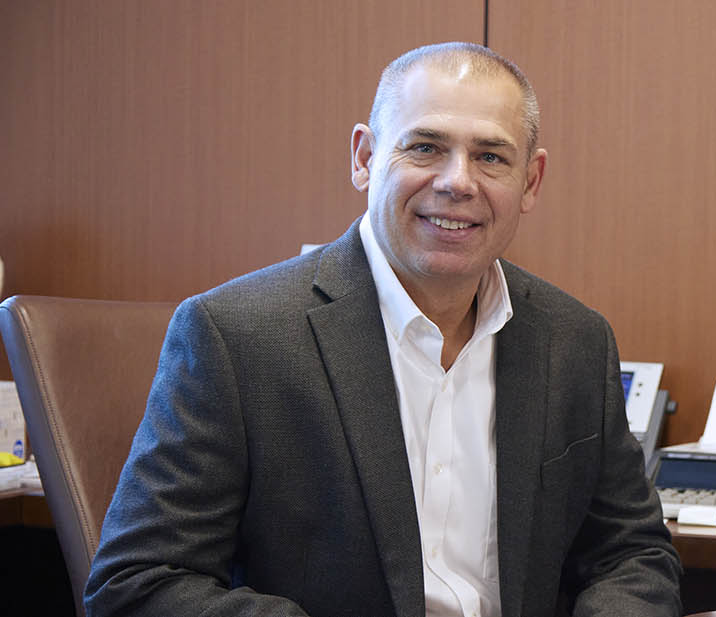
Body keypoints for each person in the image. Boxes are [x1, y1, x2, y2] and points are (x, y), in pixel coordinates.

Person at [84, 42, 682, 617]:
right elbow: (141, 582)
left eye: (491, 156)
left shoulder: (574, 340)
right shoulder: (236, 336)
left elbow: (631, 555)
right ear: (365, 158)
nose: (458, 182)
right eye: (425, 147)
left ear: (530, 182)